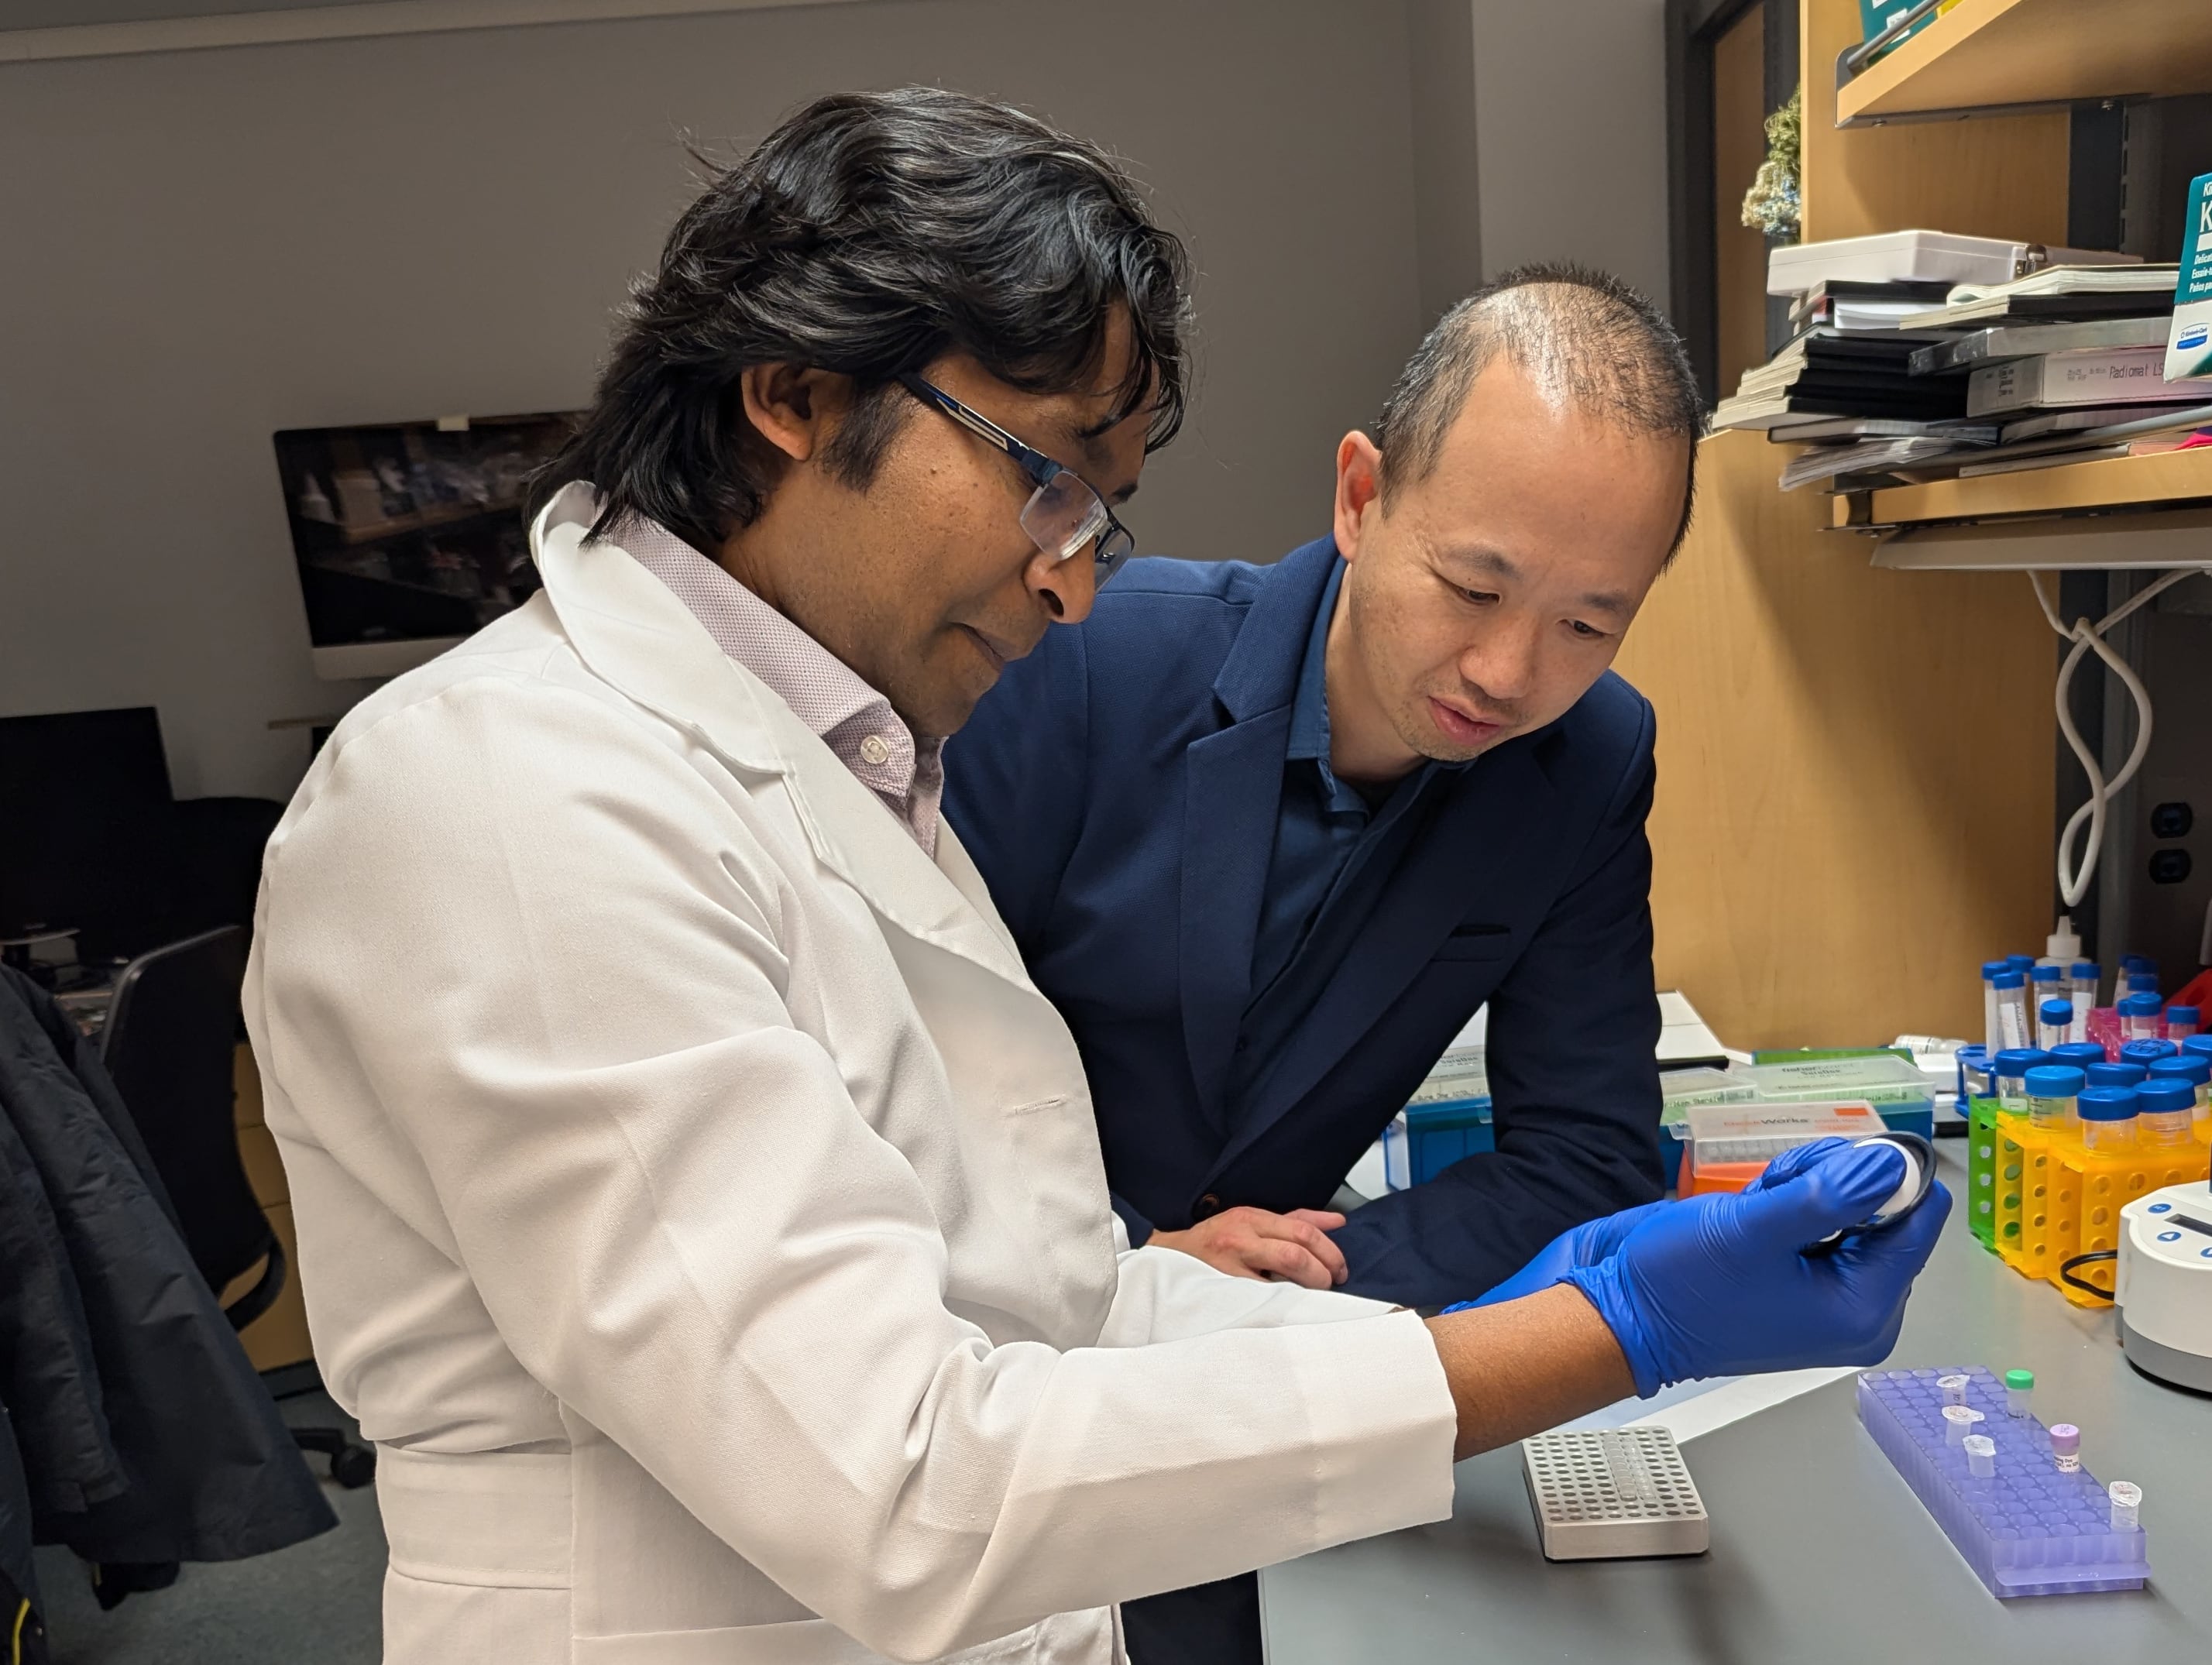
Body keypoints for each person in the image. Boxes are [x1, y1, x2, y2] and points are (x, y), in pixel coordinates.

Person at [243, 89, 1948, 1665]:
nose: (1069, 586)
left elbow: (1066, 1300)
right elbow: (905, 1478)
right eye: (1043, 478)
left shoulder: (845, 763)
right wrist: (1608, 1329)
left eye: (1101, 514)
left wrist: (1538, 1297)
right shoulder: (509, 797)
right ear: (794, 390)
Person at [940, 268, 1698, 1664]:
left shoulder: (1586, 763)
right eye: (1474, 584)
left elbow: (1590, 1152)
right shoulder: (1094, 657)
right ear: (1360, 497)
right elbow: (901, 1075)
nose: (1509, 670)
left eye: (1592, 624)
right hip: (995, 1378)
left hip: (1280, 1401)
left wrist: (1282, 1288)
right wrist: (1117, 1258)